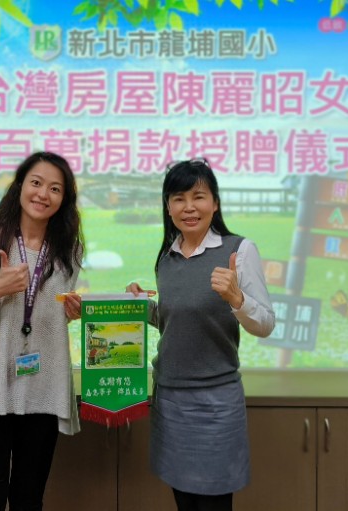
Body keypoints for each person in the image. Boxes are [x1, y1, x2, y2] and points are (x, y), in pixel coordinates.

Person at [127, 158, 275, 511]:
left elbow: (266, 324)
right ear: (168, 207)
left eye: (198, 196)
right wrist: (139, 306)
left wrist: (237, 299)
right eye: (178, 198)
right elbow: (174, 321)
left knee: (213, 503)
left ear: (215, 203)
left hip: (216, 401)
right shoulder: (167, 257)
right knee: (184, 500)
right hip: (170, 396)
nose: (189, 207)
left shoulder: (238, 250)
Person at [0, 151, 84, 511]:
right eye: (36, 183)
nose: (43, 194)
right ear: (20, 185)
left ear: (64, 199)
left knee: (28, 500)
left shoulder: (68, 251)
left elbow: (41, 315)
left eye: (55, 188)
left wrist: (70, 313)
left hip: (42, 390)